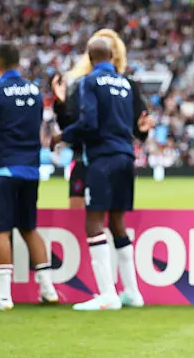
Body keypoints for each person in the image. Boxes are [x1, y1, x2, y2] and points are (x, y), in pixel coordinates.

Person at [0, 43, 59, 310]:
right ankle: (48, 289)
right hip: (30, 170)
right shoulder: (35, 92)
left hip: (3, 170)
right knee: (29, 228)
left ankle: (2, 296)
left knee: (0, 230)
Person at [56, 36, 145, 311]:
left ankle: (107, 295)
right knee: (117, 221)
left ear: (90, 56)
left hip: (101, 158)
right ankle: (132, 292)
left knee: (94, 223)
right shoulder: (125, 83)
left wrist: (62, 135)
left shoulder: (89, 82)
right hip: (125, 156)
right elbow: (136, 125)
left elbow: (89, 123)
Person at [53, 28, 150, 210]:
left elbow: (138, 127)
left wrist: (143, 130)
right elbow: (69, 124)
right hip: (85, 158)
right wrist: (61, 105)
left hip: (104, 157)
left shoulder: (125, 85)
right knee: (85, 221)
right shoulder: (80, 83)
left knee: (103, 221)